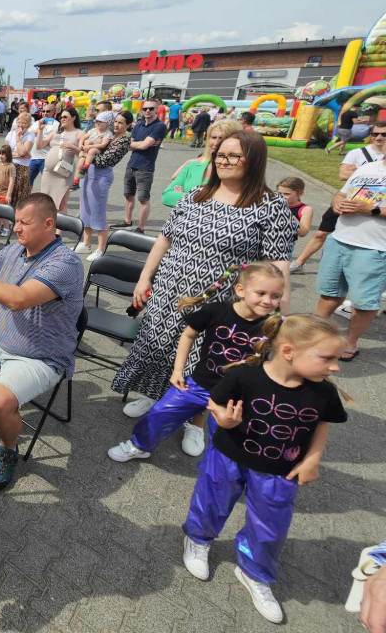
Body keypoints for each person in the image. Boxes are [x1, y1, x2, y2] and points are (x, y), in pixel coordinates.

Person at [111, 131, 297, 417]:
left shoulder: (271, 206)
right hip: (169, 290)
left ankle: (194, 418)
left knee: (204, 360)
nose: (223, 161)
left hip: (220, 301)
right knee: (158, 346)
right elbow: (164, 238)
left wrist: (281, 316)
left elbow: (278, 264)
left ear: (254, 160)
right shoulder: (196, 195)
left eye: (233, 156)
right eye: (220, 154)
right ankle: (153, 395)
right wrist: (145, 277)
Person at [180, 314, 349, 624]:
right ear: (288, 351)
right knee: (211, 501)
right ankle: (198, 539)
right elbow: (215, 402)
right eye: (328, 358)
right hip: (228, 456)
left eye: (337, 359)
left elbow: (321, 424)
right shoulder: (245, 376)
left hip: (280, 470)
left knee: (271, 524)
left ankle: (254, 571)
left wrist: (312, 459)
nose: (336, 367)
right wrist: (223, 420)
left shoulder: (323, 392)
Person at [0, 192, 84, 491]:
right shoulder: (13, 250)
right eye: (16, 221)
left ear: (48, 224)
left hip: (39, 356)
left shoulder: (66, 263)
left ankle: (8, 450)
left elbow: (17, 300)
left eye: (24, 222)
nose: (17, 228)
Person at [108, 262, 284, 464]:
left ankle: (225, 470)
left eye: (275, 296)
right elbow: (188, 335)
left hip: (237, 397)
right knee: (160, 413)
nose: (267, 301)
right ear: (240, 290)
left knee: (229, 440)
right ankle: (140, 446)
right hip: (199, 384)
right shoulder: (217, 311)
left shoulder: (273, 327)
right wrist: (178, 370)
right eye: (261, 293)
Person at [313, 140, 386, 361]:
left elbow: (371, 207)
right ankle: (315, 333)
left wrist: (371, 209)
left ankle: (350, 342)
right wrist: (336, 204)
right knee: (330, 293)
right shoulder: (368, 167)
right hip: (340, 239)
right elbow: (341, 193)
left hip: (374, 248)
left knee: (364, 302)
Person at [290, 119, 386, 273]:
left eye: (384, 134)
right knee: (321, 233)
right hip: (347, 201)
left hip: (375, 207)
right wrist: (362, 172)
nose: (379, 137)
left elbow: (350, 174)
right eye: (375, 134)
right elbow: (342, 175)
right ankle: (299, 262)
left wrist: (357, 172)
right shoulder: (357, 153)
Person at [77, 111, 132, 259]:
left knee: (98, 211)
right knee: (85, 209)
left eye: (121, 123)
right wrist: (86, 148)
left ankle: (101, 248)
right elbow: (87, 141)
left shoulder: (124, 141)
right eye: (116, 121)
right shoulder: (108, 134)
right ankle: (86, 243)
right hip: (88, 172)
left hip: (101, 174)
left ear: (128, 125)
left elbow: (103, 161)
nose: (117, 125)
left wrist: (85, 151)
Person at [161, 119, 243, 207]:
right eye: (213, 137)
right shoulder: (193, 166)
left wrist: (186, 197)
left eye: (222, 138)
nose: (216, 143)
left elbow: (228, 203)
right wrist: (203, 199)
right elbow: (166, 196)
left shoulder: (235, 170)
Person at [118, 99, 168, 233]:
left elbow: (143, 145)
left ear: (157, 109)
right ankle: (127, 221)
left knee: (143, 199)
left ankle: (140, 228)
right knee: (128, 195)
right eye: (145, 108)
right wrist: (140, 144)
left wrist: (139, 144)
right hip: (131, 164)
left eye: (151, 108)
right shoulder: (139, 125)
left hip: (145, 167)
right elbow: (129, 145)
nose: (148, 111)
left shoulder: (160, 126)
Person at [36, 105, 84, 211]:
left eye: (65, 117)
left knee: (61, 204)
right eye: (61, 117)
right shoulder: (56, 132)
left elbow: (83, 154)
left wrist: (72, 147)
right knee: (46, 202)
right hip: (48, 172)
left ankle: (60, 222)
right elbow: (39, 146)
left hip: (63, 173)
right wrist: (40, 130)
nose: (62, 119)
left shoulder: (79, 133)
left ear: (73, 118)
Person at [75, 110, 115, 184]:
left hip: (97, 151)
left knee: (92, 150)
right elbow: (83, 138)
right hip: (86, 150)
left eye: (101, 121)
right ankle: (76, 181)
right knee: (80, 164)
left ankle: (86, 167)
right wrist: (80, 145)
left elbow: (103, 145)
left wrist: (89, 146)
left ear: (107, 124)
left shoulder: (108, 133)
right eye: (96, 121)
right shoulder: (93, 130)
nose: (98, 123)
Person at [4, 113, 35, 209]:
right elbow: (5, 152)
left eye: (24, 123)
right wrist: (20, 154)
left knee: (20, 195)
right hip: (9, 166)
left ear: (28, 125)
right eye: (19, 122)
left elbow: (23, 151)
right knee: (8, 193)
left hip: (22, 168)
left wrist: (18, 139)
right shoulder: (10, 134)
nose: (21, 125)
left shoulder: (30, 135)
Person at [27, 103, 57, 186]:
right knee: (27, 182)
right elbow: (27, 134)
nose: (45, 113)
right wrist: (36, 131)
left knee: (47, 183)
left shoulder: (56, 125)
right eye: (43, 111)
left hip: (46, 158)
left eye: (48, 111)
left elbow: (53, 141)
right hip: (33, 157)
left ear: (53, 112)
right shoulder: (37, 123)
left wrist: (39, 134)